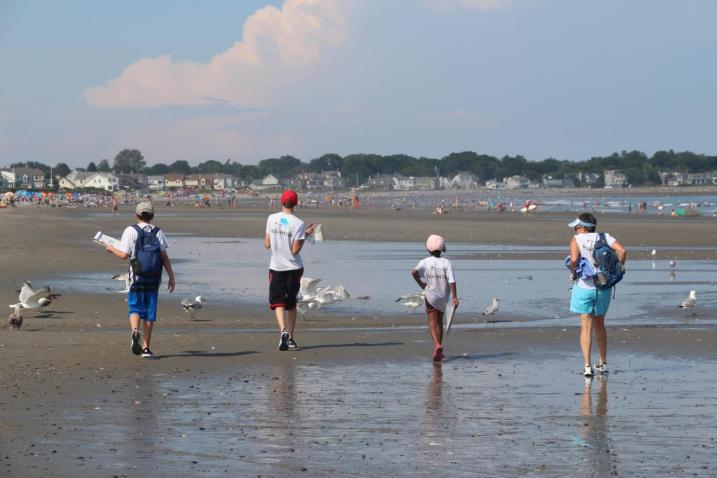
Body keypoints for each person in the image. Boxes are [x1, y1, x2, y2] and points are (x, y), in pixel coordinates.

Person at [106, 201, 175, 359]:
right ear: (152, 216)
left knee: (135, 307)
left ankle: (135, 331)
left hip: (136, 276)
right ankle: (146, 349)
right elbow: (164, 257)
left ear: (136, 215)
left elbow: (123, 255)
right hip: (154, 277)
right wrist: (171, 276)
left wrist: (110, 249)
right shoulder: (158, 232)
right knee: (149, 312)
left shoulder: (130, 230)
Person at [568, 213, 626, 377]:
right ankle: (603, 362)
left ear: (584, 227)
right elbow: (622, 250)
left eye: (577, 227)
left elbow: (573, 259)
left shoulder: (576, 240)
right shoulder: (605, 237)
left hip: (584, 286)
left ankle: (587, 367)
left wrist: (572, 271)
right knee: (600, 324)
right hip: (603, 287)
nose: (575, 229)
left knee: (585, 326)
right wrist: (618, 268)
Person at [264, 190, 316, 351]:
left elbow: (267, 244)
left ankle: (283, 331)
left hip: (277, 266)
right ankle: (291, 337)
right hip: (293, 268)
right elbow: (294, 250)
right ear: (296, 203)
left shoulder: (272, 218)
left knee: (277, 301)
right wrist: (306, 235)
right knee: (291, 303)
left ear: (281, 202)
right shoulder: (298, 223)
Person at [411, 234, 459, 362]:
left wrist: (421, 284)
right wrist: (455, 297)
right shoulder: (447, 262)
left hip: (431, 295)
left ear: (428, 248)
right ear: (442, 248)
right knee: (439, 321)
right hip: (443, 296)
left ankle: (437, 345)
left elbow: (414, 272)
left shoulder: (425, 261)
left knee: (432, 322)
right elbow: (452, 281)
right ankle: (440, 347)